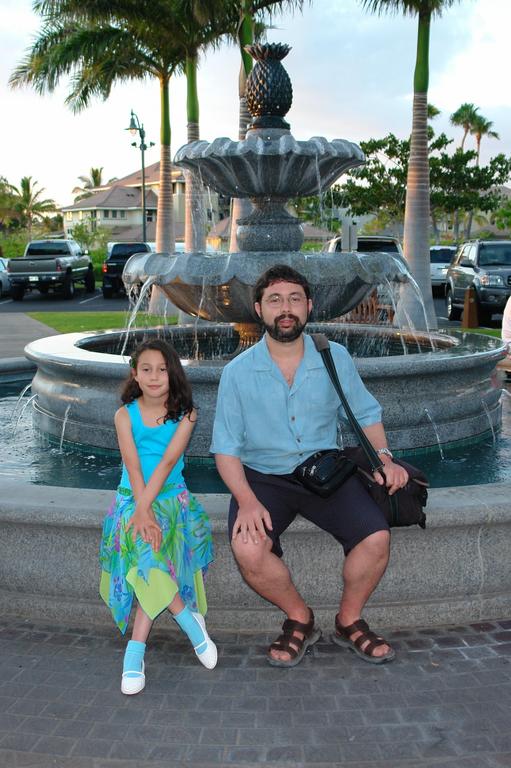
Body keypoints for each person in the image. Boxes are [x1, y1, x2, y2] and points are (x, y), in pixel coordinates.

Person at [211, 264, 409, 668]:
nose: (285, 308)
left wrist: (385, 458)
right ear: (259, 309)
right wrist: (246, 501)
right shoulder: (237, 373)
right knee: (248, 549)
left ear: (309, 306)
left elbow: (366, 414)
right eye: (275, 300)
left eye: (294, 299)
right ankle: (299, 617)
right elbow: (226, 448)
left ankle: (349, 620)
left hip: (325, 473)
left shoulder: (333, 356)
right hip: (264, 478)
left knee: (376, 539)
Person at [99, 339, 216, 695]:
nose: (154, 376)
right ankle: (188, 622)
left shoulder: (187, 414)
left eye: (162, 370)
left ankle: (135, 652)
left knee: (148, 556)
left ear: (173, 373)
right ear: (134, 374)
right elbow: (133, 466)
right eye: (146, 369)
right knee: (147, 551)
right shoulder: (124, 415)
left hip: (171, 500)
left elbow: (166, 463)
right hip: (131, 500)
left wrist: (148, 510)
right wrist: (140, 510)